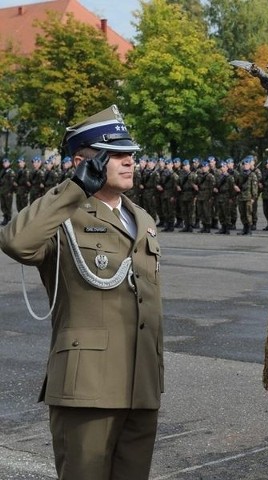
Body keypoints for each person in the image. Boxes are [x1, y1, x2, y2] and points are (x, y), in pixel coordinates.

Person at [0, 105, 164, 480]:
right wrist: (74, 188)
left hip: (141, 385)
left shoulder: (144, 219)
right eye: (116, 154)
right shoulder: (63, 216)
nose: (129, 161)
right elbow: (15, 242)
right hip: (87, 385)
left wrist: (154, 377)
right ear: (81, 162)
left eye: (131, 154)